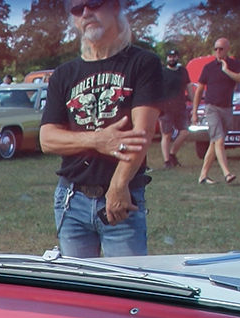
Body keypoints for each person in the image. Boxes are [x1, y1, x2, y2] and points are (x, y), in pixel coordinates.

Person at [38, 0, 162, 257]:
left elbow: (142, 134)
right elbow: (47, 139)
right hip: (71, 200)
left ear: (115, 7)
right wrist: (98, 140)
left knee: (128, 288)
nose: (86, 12)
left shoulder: (143, 63)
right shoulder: (64, 74)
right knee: (79, 292)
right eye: (76, 8)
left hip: (123, 197)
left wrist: (119, 185)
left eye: (93, 3)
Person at [195, 37, 240, 185]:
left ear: (227, 49)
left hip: (227, 108)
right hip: (212, 108)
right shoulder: (208, 67)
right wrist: (194, 112)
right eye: (216, 49)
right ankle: (227, 173)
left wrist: (226, 71)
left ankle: (203, 175)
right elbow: (199, 90)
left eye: (221, 49)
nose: (218, 51)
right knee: (219, 139)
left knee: (214, 142)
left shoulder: (234, 65)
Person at [158, 49, 189, 169]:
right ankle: (167, 161)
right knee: (166, 134)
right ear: (167, 59)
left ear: (178, 58)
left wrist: (194, 99)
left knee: (185, 132)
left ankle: (172, 154)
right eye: (170, 57)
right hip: (166, 108)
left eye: (174, 56)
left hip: (181, 107)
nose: (172, 59)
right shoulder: (162, 72)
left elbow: (189, 86)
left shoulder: (183, 71)